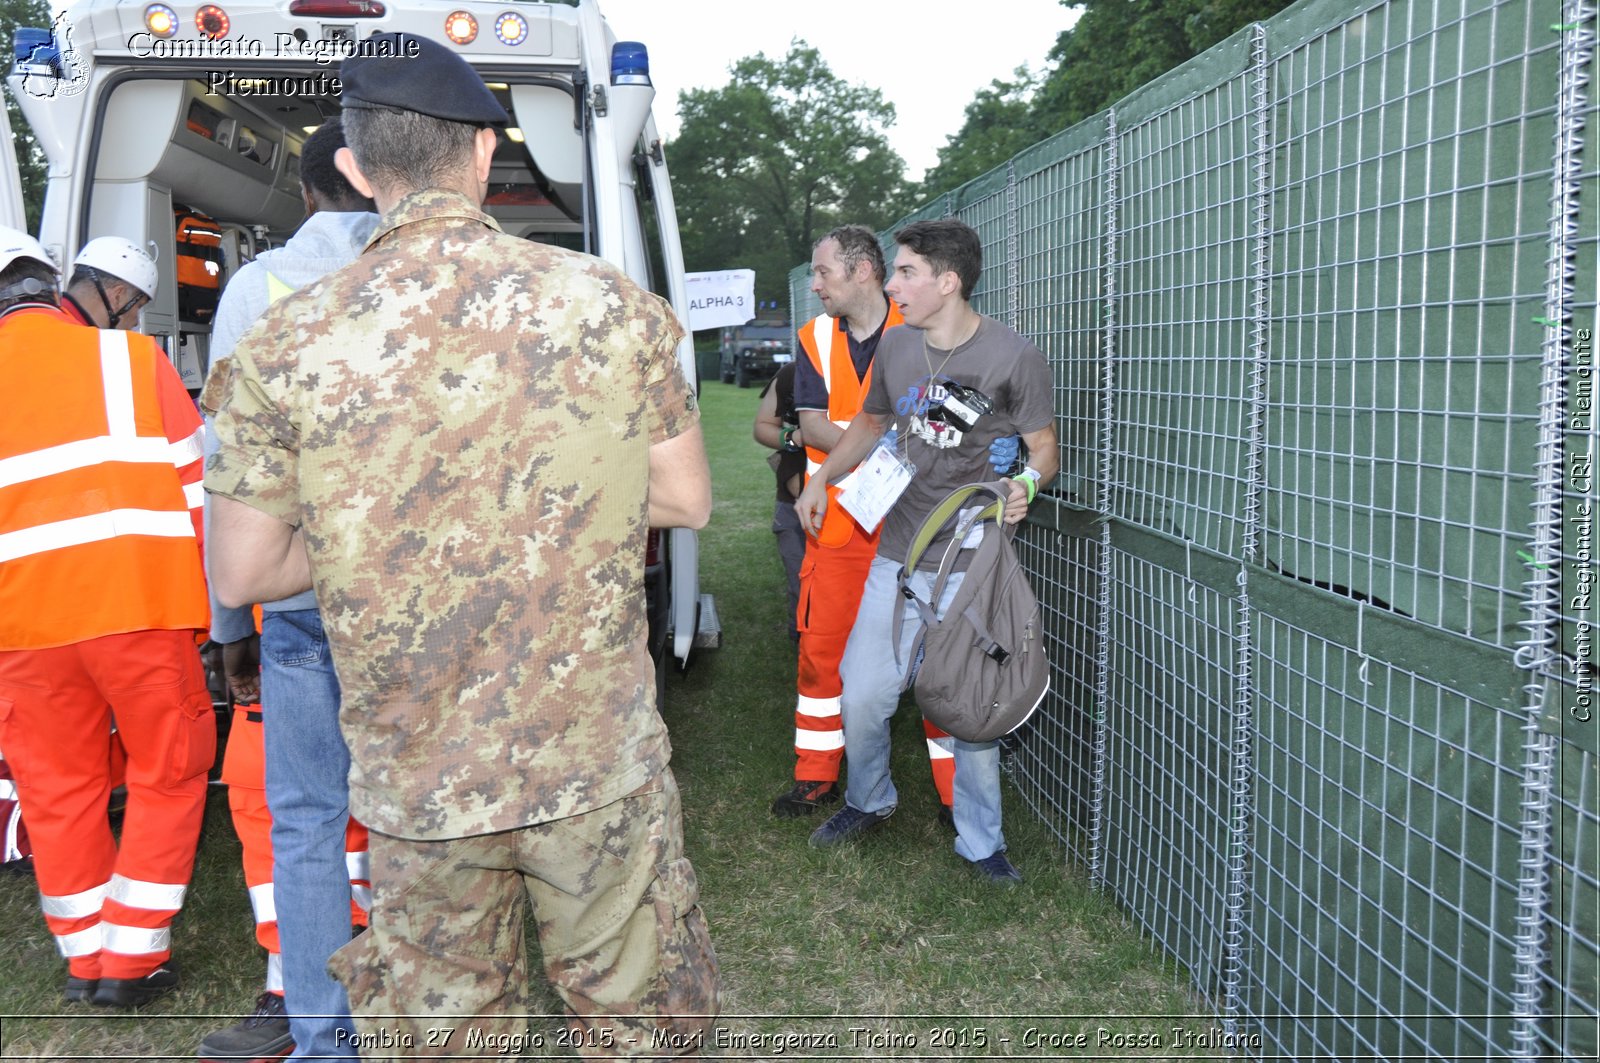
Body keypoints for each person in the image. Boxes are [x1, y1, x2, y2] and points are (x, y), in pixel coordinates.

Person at [205, 33, 719, 1055]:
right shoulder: (612, 306)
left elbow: (245, 570)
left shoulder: (284, 343)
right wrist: (539, 515)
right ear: (485, 152)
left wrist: (383, 540)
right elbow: (686, 498)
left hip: (416, 785)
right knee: (633, 1026)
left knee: (445, 1036)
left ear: (354, 167)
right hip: (593, 765)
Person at [796, 218, 1060, 884]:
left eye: (908, 271)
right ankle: (868, 799)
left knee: (971, 710)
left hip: (971, 558)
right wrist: (825, 477)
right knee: (862, 693)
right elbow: (872, 422)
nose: (894, 283)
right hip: (897, 551)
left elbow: (1045, 448)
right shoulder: (897, 348)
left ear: (948, 281)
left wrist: (1023, 483)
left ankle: (982, 842)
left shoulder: (1012, 357)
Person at [197, 116, 379, 1063]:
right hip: (417, 601)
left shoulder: (258, 289)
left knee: (306, 820)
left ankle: (322, 1037)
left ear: (308, 191)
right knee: (414, 820)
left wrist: (231, 618)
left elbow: (224, 464)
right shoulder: (427, 278)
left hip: (300, 599)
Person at [0, 227, 213, 1004]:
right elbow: (200, 495)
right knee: (169, 769)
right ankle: (130, 960)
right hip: (140, 609)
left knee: (58, 788)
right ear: (43, 283)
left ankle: (86, 956)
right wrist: (221, 618)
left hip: (21, 632)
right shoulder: (127, 362)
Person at [769, 225, 955, 820]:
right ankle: (816, 773)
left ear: (862, 271)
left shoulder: (925, 328)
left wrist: (860, 434)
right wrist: (886, 436)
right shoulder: (814, 337)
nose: (815, 284)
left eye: (823, 272)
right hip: (839, 522)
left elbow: (944, 424)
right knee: (820, 648)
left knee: (936, 657)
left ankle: (955, 790)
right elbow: (811, 423)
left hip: (916, 522)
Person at [752, 360, 806, 641]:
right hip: (793, 507)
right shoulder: (792, 373)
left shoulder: (871, 370)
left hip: (855, 509)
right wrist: (794, 437)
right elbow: (762, 427)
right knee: (801, 583)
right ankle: (804, 649)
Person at [60, 237, 158, 329]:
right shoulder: (94, 344)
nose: (136, 322)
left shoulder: (47, 319)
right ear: (117, 297)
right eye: (139, 306)